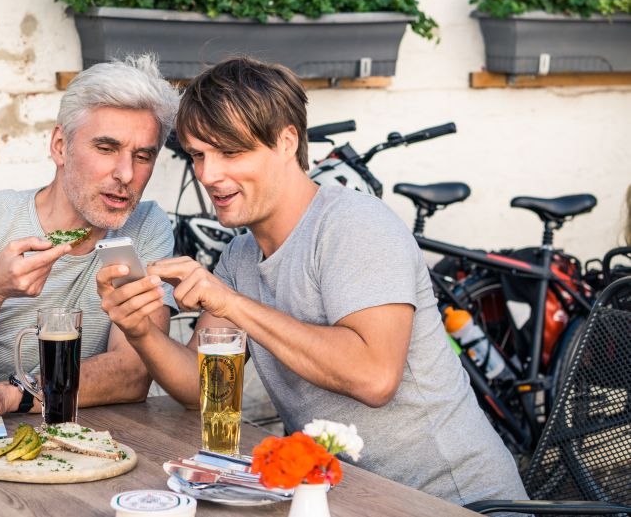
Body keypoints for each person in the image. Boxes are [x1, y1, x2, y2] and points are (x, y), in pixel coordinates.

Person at [97, 57, 528, 507]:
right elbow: (199, 392)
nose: (209, 175)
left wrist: (231, 303)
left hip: (452, 501)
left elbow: (375, 376)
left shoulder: (354, 224)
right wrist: (140, 329)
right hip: (342, 498)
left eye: (231, 152)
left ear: (286, 141)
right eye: (199, 155)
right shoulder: (241, 255)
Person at [0, 54, 180, 426]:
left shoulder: (145, 226)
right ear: (59, 146)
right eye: (106, 148)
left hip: (48, 436)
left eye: (142, 156)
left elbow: (133, 373)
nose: (125, 173)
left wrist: (9, 394)